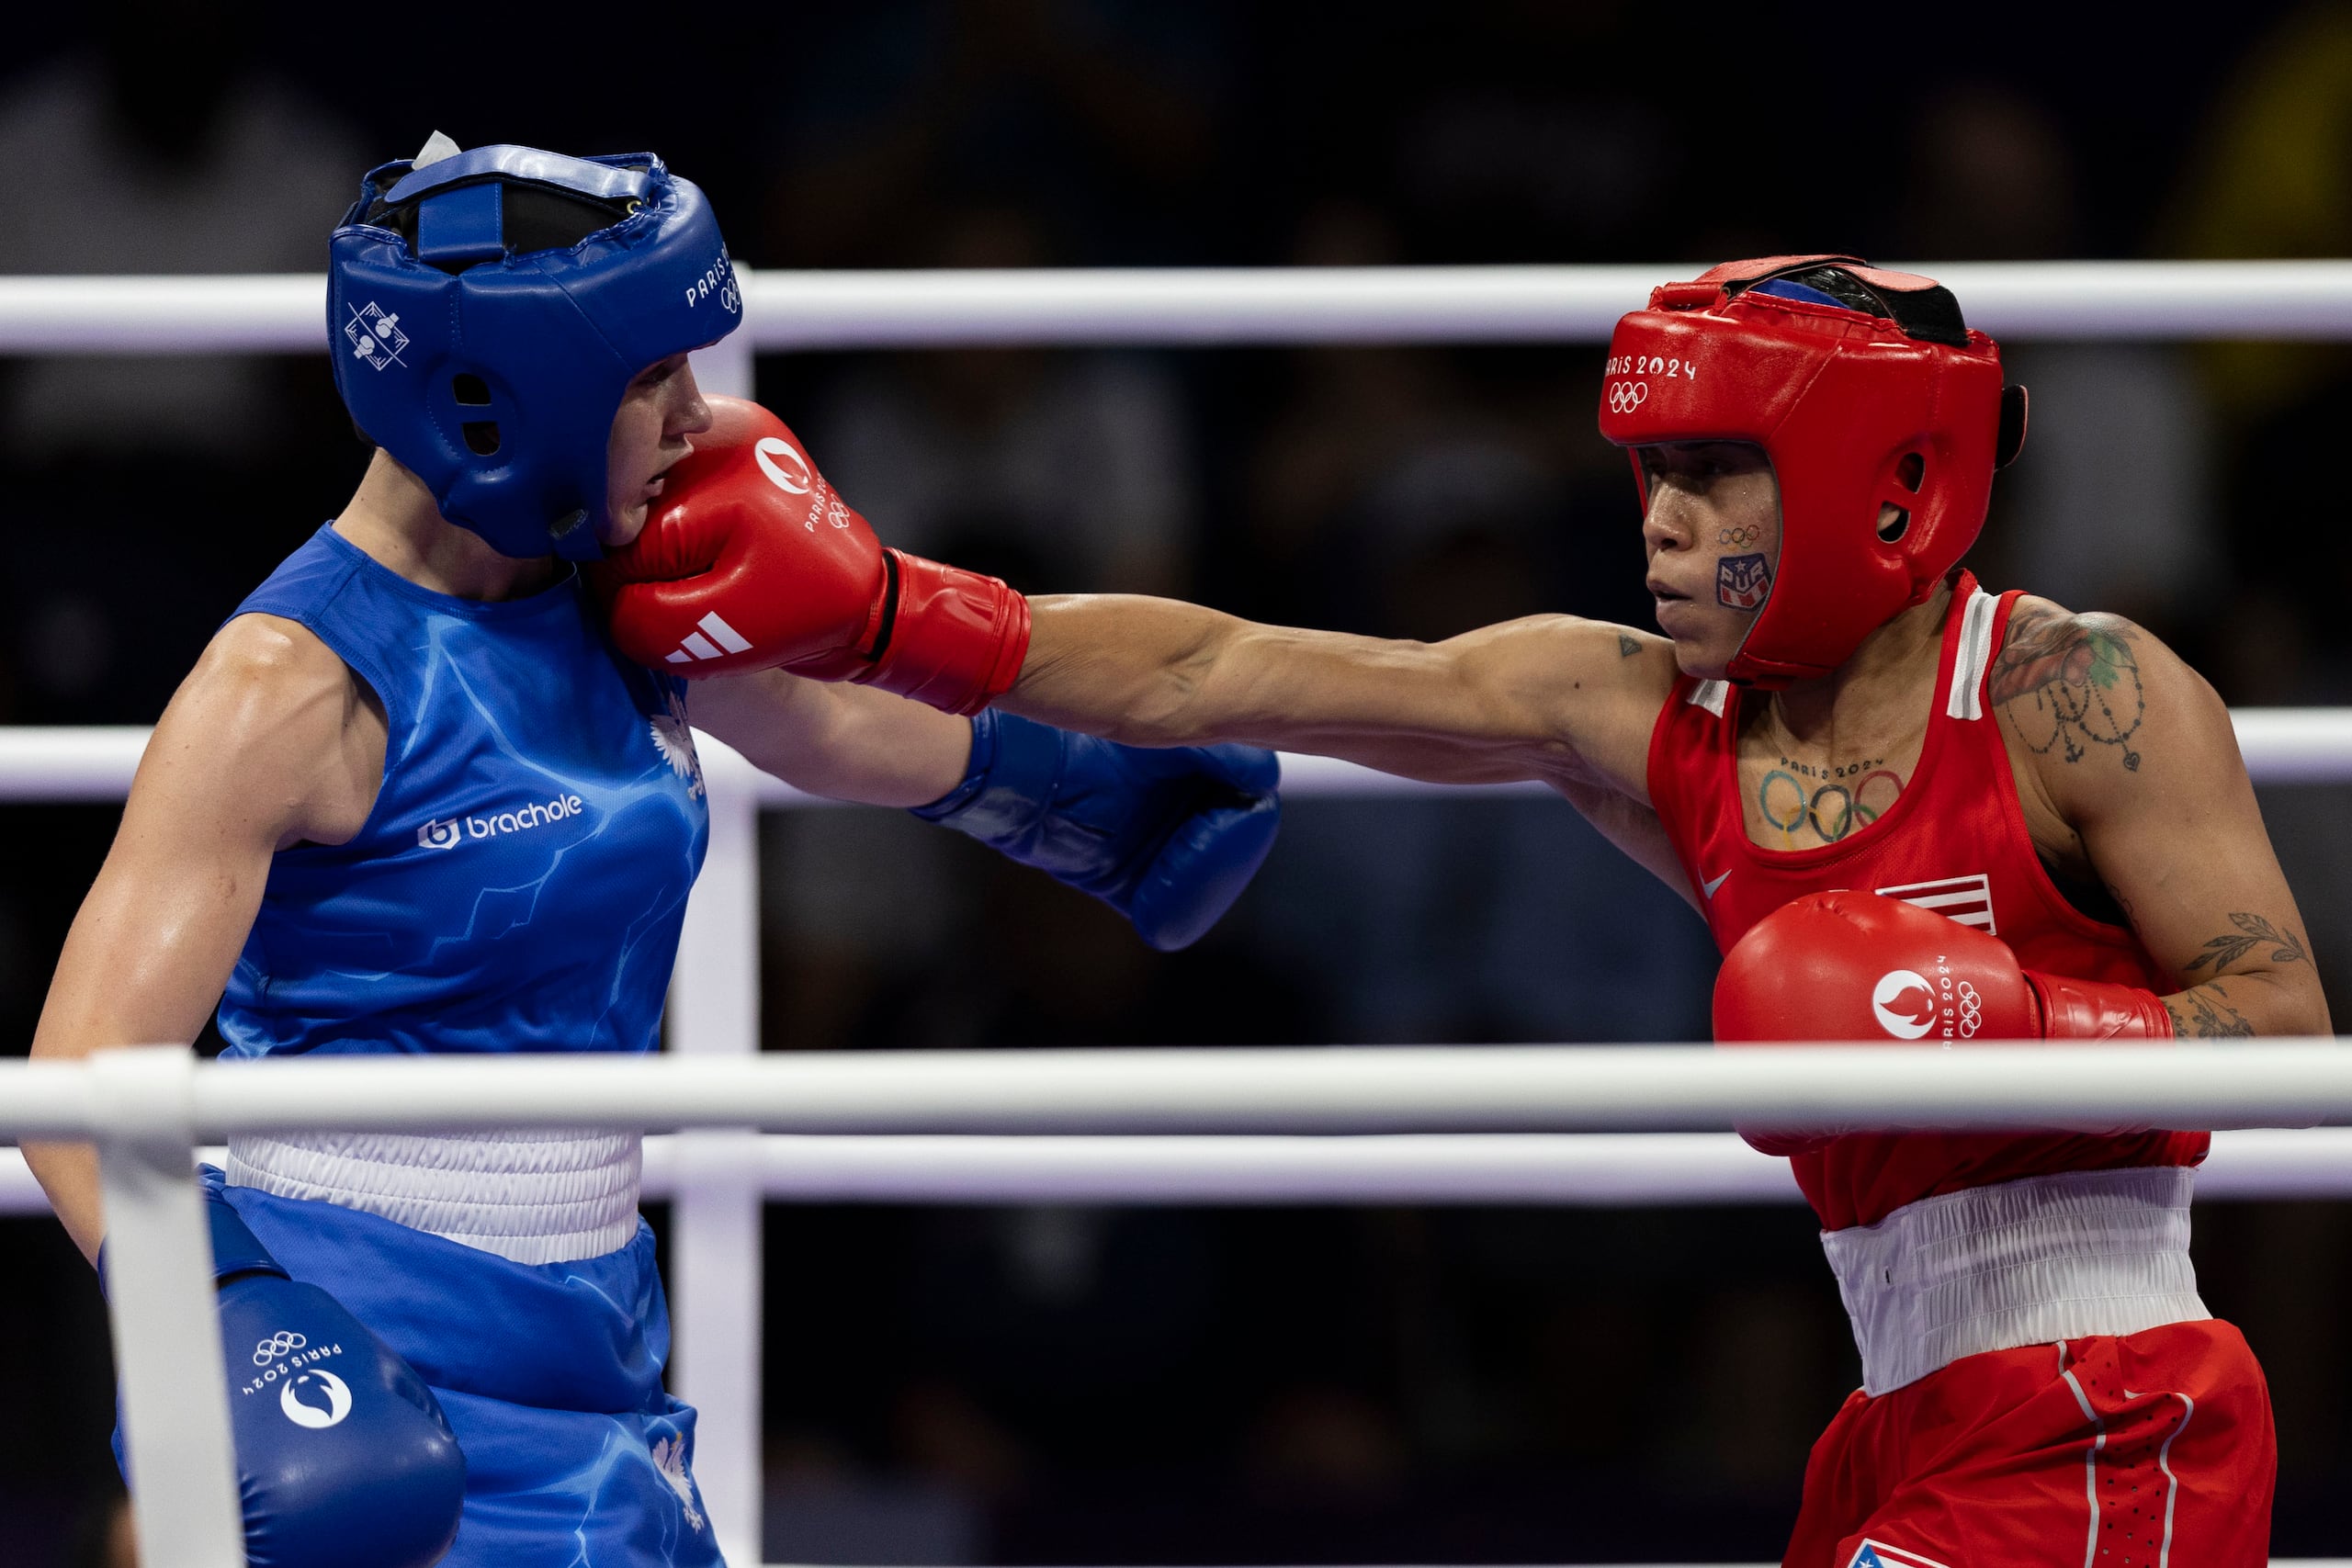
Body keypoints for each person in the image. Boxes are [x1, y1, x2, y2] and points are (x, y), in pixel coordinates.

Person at [601, 254, 2325, 1567]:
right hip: (1897, 1409)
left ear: (1889, 481)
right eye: (1644, 470)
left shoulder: (2072, 689)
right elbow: (1232, 666)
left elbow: (2287, 1038)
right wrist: (907, 614)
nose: (1655, 523)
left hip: (2114, 1401)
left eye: (1713, 472)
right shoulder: (1641, 710)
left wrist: (1991, 1026)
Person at [25, 136, 1278, 1568]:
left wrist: (1089, 798)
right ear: (502, 401)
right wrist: (239, 1322)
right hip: (358, 1328)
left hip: (592, 1326)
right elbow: (79, 1075)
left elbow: (836, 732)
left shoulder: (622, 590)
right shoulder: (291, 689)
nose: (701, 418)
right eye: (649, 381)